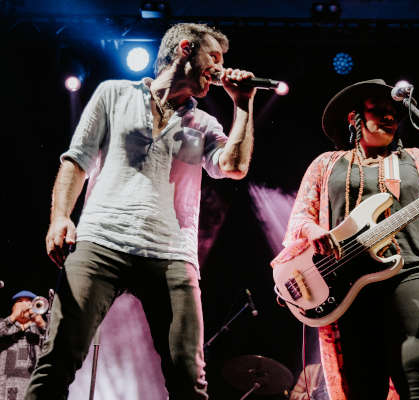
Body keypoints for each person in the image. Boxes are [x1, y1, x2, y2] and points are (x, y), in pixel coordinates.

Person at [26, 23, 256, 400]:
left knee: (189, 378)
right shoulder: (114, 93)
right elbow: (76, 160)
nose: (219, 68)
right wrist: (60, 217)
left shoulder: (203, 123)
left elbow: (234, 166)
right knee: (57, 361)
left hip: (172, 254)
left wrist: (242, 104)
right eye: (213, 57)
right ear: (185, 48)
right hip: (101, 239)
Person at [272, 79, 419, 399]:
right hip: (348, 283)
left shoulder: (418, 160)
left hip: (415, 269)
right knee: (363, 381)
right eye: (378, 110)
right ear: (354, 118)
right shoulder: (326, 164)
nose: (389, 116)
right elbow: (300, 218)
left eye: (393, 112)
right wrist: (315, 232)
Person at [1, 291, 46, 400]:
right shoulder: (3, 324)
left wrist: (42, 324)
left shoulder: (42, 329)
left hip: (33, 391)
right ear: (13, 307)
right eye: (20, 301)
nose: (25, 305)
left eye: (29, 302)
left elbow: (57, 347)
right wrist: (12, 317)